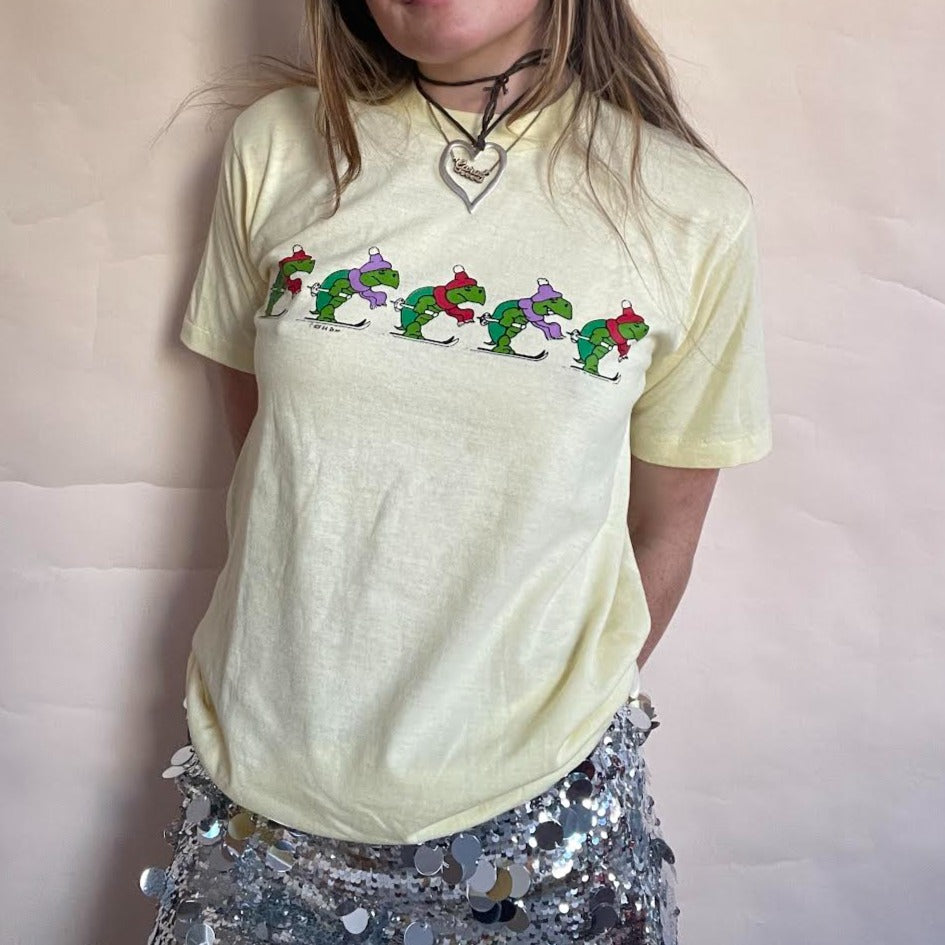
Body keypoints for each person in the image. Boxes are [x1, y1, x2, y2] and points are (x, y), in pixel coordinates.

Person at [139, 1, 774, 943]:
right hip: (262, 804)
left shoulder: (690, 209)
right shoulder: (275, 145)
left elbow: (663, 529)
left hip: (544, 825)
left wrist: (532, 718)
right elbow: (274, 455)